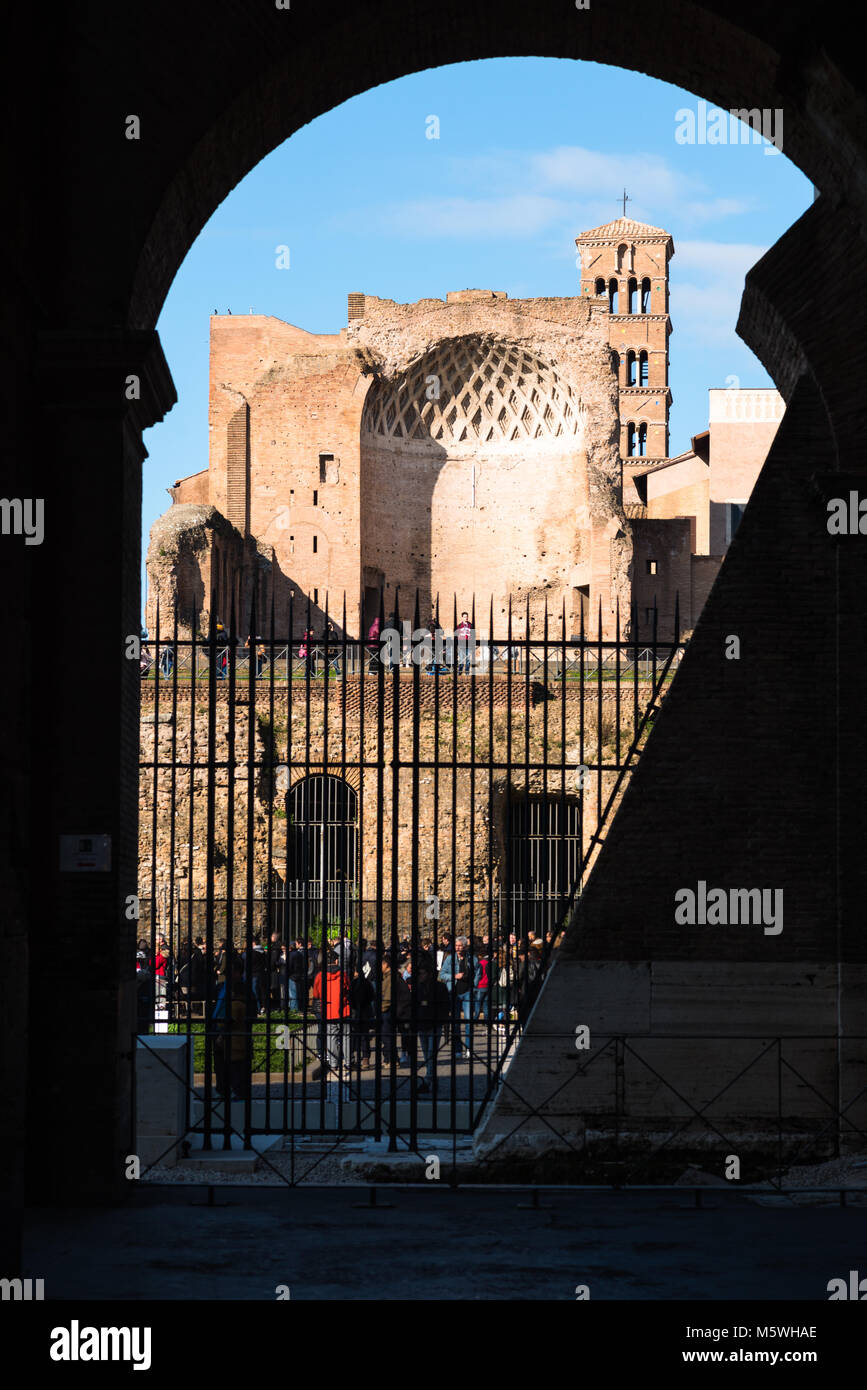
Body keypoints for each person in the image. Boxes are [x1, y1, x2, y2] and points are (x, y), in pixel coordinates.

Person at [212, 955, 255, 1101]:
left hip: (234, 1032)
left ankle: (235, 1091)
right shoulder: (222, 987)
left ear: (238, 972)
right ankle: (223, 1089)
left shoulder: (242, 989)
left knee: (236, 1066)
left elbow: (243, 1012)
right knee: (220, 1064)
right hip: (220, 1028)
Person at [310, 949, 350, 1079]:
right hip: (343, 1009)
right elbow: (348, 989)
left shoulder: (320, 976)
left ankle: (333, 1063)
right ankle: (348, 1062)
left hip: (328, 1010)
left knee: (331, 1037)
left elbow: (316, 994)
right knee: (346, 1036)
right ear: (337, 960)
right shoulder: (343, 974)